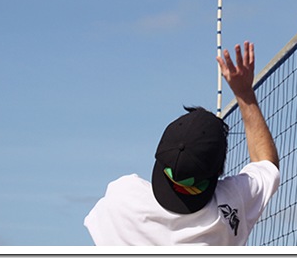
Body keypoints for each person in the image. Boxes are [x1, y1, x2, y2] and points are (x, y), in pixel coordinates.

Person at [84, 41, 280, 245]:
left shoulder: (122, 196)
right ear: (218, 170)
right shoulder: (229, 207)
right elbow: (267, 164)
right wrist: (244, 93)